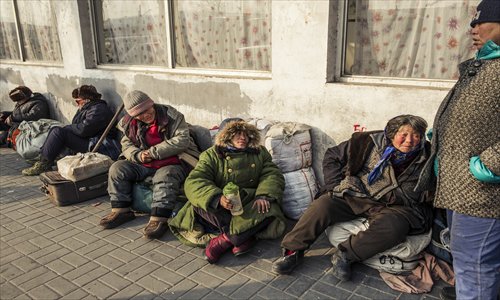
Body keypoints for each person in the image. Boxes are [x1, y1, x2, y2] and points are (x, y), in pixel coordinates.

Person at [272, 115, 433, 281]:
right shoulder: (369, 142)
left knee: (394, 226)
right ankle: (293, 251)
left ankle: (345, 256)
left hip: (398, 206)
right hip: (359, 194)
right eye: (404, 134)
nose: (410, 140)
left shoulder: (428, 156)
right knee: (323, 204)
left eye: (416, 135)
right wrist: (333, 186)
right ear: (392, 134)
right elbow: (332, 156)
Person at [415, 1, 500, 299]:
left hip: (481, 195)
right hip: (460, 187)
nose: (472, 29)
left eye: (481, 22)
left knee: (474, 266)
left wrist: (489, 166)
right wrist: (442, 133)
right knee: (471, 263)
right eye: (472, 22)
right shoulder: (487, 65)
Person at [169, 120, 286, 264]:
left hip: (248, 202)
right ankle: (244, 237)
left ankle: (225, 240)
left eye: (246, 134)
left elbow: (272, 174)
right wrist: (218, 199)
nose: (243, 138)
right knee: (199, 204)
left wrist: (264, 195)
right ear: (227, 136)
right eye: (237, 134)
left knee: (270, 208)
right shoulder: (211, 155)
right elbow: (195, 180)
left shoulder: (259, 152)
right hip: (223, 206)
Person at [99, 90, 200, 240]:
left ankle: (159, 219)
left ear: (151, 104)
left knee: (164, 175)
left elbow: (182, 140)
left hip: (175, 159)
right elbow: (126, 145)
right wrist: (138, 155)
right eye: (139, 114)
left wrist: (152, 153)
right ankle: (121, 210)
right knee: (117, 168)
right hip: (144, 162)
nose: (145, 115)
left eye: (146, 110)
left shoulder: (171, 115)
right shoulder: (128, 123)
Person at [22, 85, 115, 176]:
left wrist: (68, 128)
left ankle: (44, 163)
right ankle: (44, 158)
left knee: (58, 132)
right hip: (88, 140)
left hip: (98, 145)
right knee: (56, 130)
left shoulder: (98, 110)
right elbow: (77, 126)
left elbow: (84, 130)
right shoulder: (87, 108)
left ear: (87, 100)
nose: (77, 104)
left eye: (78, 101)